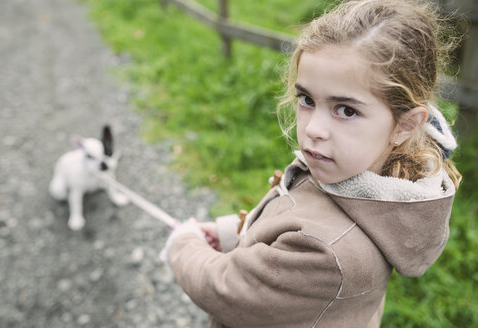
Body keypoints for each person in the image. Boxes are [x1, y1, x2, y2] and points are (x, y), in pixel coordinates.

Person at [160, 0, 462, 327]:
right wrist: (228, 233)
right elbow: (295, 213)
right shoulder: (358, 174)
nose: (313, 129)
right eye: (306, 100)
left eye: (346, 110)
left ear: (405, 125)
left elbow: (226, 288)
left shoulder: (327, 252)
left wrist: (184, 243)